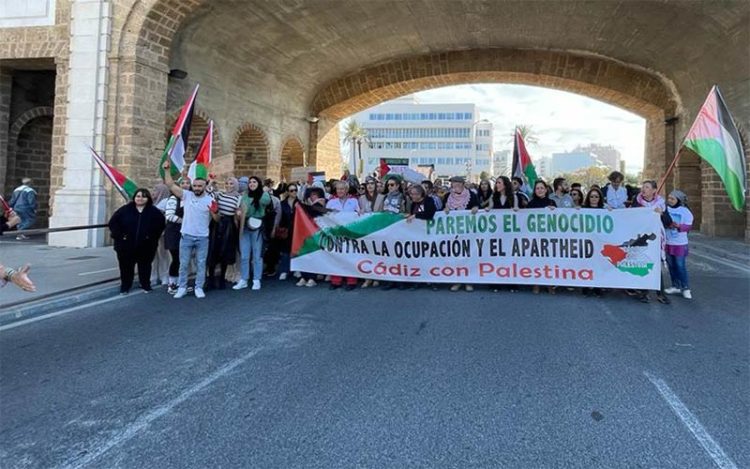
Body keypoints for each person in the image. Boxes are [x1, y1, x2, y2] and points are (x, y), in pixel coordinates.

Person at [162, 159, 219, 299]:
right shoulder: (186, 195)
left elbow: (217, 220)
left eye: (200, 186)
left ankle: (198, 287)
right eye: (195, 186)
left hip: (202, 237)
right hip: (186, 236)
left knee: (201, 264)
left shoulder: (210, 200)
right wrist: (167, 170)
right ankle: (182, 287)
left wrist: (214, 212)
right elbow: (170, 184)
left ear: (205, 186)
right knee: (183, 263)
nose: (197, 188)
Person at [108, 189, 166, 295]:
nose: (140, 198)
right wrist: (121, 237)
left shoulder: (154, 212)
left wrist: (151, 237)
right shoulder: (124, 210)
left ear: (148, 198)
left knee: (145, 266)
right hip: (126, 246)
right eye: (138, 196)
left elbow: (160, 226)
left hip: (146, 246)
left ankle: (145, 285)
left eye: (143, 196)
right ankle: (125, 287)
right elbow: (113, 223)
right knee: (126, 267)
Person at [630, 180, 670, 304]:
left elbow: (668, 222)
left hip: (655, 239)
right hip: (641, 239)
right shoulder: (637, 201)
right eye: (643, 187)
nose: (643, 189)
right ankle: (643, 292)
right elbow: (629, 216)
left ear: (654, 190)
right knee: (643, 265)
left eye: (647, 187)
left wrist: (661, 214)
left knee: (656, 266)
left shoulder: (661, 204)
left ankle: (660, 293)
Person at [235, 176, 271, 291]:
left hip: (257, 226)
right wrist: (239, 212)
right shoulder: (245, 195)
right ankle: (244, 279)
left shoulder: (263, 194)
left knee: (256, 255)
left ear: (258, 183)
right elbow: (242, 208)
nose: (252, 184)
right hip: (245, 226)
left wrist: (261, 192)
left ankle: (256, 279)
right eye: (250, 182)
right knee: (245, 255)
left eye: (254, 182)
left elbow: (266, 202)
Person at [443, 176, 479, 292]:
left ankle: (469, 281)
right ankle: (457, 280)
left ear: (463, 184)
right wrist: (445, 208)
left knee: (468, 255)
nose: (456, 185)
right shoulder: (448, 197)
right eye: (454, 183)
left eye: (458, 183)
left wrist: (475, 208)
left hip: (468, 230)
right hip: (453, 231)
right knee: (456, 255)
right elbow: (442, 209)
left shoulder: (471, 196)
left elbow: (477, 206)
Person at [207, 177, 241, 290]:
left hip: (229, 226)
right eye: (226, 183)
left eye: (231, 183)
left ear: (235, 185)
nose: (228, 185)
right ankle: (210, 280)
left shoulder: (238, 197)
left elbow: (238, 212)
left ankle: (222, 279)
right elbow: (209, 193)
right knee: (213, 250)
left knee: (225, 252)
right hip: (217, 223)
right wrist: (210, 182)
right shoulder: (220, 194)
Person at [326, 181, 360, 290]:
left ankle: (351, 281)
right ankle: (336, 281)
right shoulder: (331, 202)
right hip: (336, 234)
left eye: (342, 189)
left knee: (350, 257)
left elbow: (359, 215)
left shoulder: (354, 201)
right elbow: (325, 216)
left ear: (346, 190)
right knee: (336, 257)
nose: (340, 191)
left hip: (350, 234)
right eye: (338, 189)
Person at [526, 180, 556, 295]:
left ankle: (550, 284)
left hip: (549, 237)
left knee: (549, 261)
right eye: (537, 188)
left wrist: (555, 211)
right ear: (535, 191)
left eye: (542, 188)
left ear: (546, 189)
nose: (540, 190)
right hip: (535, 237)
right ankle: (536, 283)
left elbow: (558, 218)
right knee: (536, 261)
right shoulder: (531, 204)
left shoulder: (552, 202)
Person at [663, 190, 694, 299]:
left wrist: (678, 226)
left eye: (672, 199)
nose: (670, 200)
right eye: (669, 198)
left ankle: (685, 287)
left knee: (680, 266)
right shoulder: (665, 209)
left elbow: (688, 226)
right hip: (667, 242)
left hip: (680, 243)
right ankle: (675, 285)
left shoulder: (685, 211)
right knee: (671, 265)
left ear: (678, 200)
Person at [164, 177, 191, 294]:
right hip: (174, 233)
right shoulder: (173, 198)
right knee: (176, 259)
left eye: (187, 183)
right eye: (182, 183)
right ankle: (172, 284)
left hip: (185, 232)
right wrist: (184, 221)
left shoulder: (190, 198)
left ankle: (181, 283)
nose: (185, 185)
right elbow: (169, 215)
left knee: (183, 259)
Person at [296, 186, 328, 287]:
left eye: (314, 194)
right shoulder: (308, 204)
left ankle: (311, 277)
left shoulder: (320, 203)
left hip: (316, 233)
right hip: (305, 232)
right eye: (311, 194)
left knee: (313, 256)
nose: (312, 196)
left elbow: (314, 213)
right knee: (304, 254)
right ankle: (304, 276)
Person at [581, 187, 607, 297]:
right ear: (588, 198)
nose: (594, 199)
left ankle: (598, 286)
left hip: (599, 242)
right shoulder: (582, 209)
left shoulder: (604, 210)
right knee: (587, 264)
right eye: (592, 196)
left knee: (598, 265)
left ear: (600, 198)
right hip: (586, 242)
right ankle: (586, 286)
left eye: (596, 196)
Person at [150, 183, 172, 288]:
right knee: (152, 256)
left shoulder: (166, 201)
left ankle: (165, 275)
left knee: (163, 255)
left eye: (156, 190)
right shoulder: (152, 203)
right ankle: (153, 276)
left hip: (162, 232)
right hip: (152, 233)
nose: (153, 193)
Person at [276, 183, 299, 281]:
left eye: (295, 190)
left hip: (297, 229)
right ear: (287, 192)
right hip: (286, 229)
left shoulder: (300, 202)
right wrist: (277, 227)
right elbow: (279, 216)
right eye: (291, 190)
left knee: (297, 249)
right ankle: (284, 270)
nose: (294, 192)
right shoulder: (282, 204)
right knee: (285, 251)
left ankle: (297, 269)